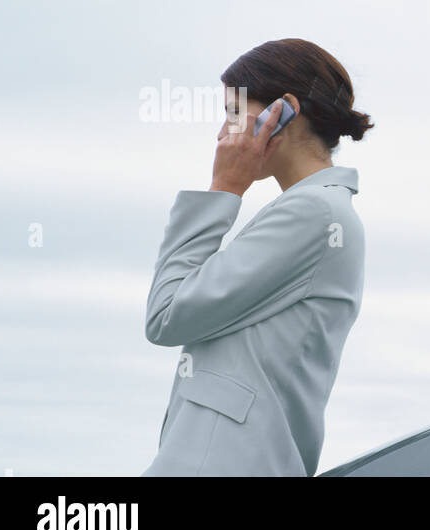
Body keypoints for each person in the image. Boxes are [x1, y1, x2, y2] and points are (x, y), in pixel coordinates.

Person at [142, 38, 373, 476]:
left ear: (282, 110)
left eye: (233, 112)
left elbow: (166, 315)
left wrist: (224, 189)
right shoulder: (313, 210)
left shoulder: (314, 213)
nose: (221, 133)